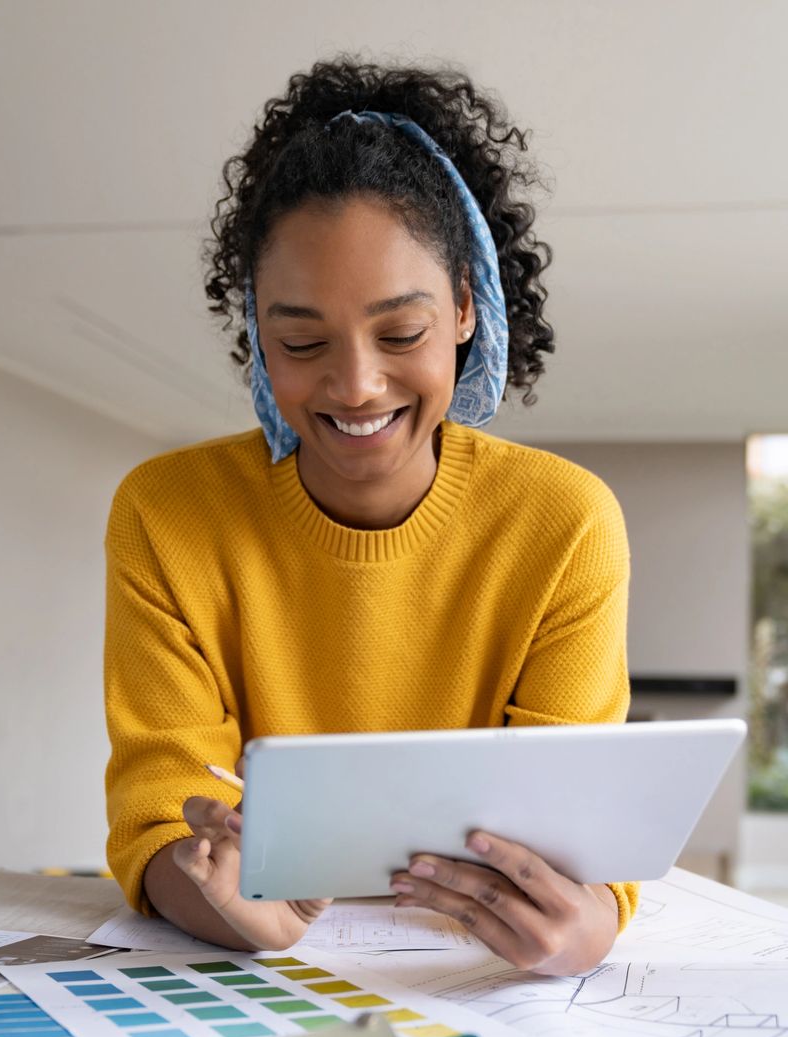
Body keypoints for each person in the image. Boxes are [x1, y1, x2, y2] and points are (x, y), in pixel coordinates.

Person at [104, 57, 637, 976]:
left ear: (467, 309)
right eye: (301, 341)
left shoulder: (564, 523)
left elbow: (580, 837)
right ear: (258, 337)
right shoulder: (168, 514)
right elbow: (160, 807)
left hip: (474, 982)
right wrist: (217, 898)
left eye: (401, 334)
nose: (356, 385)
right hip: (259, 991)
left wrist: (590, 920)